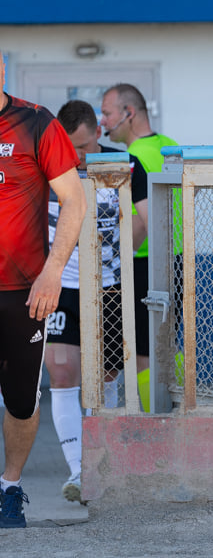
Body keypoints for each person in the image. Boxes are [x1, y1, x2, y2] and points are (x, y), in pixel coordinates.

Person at [45, 100, 148, 503]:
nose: (80, 157)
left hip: (109, 286)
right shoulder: (47, 166)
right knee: (62, 371)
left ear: (97, 135)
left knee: (106, 379)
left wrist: (116, 254)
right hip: (63, 286)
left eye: (86, 147)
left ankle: (104, 466)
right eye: (72, 149)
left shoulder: (126, 165)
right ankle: (78, 470)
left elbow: (141, 220)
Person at [0, 51, 86, 528]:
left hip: (24, 291)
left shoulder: (35, 123)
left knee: (21, 401)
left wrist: (54, 270)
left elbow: (74, 199)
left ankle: (9, 488)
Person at [101, 84, 178, 412]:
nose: (102, 122)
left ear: (128, 114)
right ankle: (174, 416)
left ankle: (154, 427)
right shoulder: (171, 147)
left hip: (140, 263)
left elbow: (137, 225)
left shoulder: (131, 160)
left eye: (107, 113)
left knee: (141, 354)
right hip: (176, 259)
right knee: (168, 347)